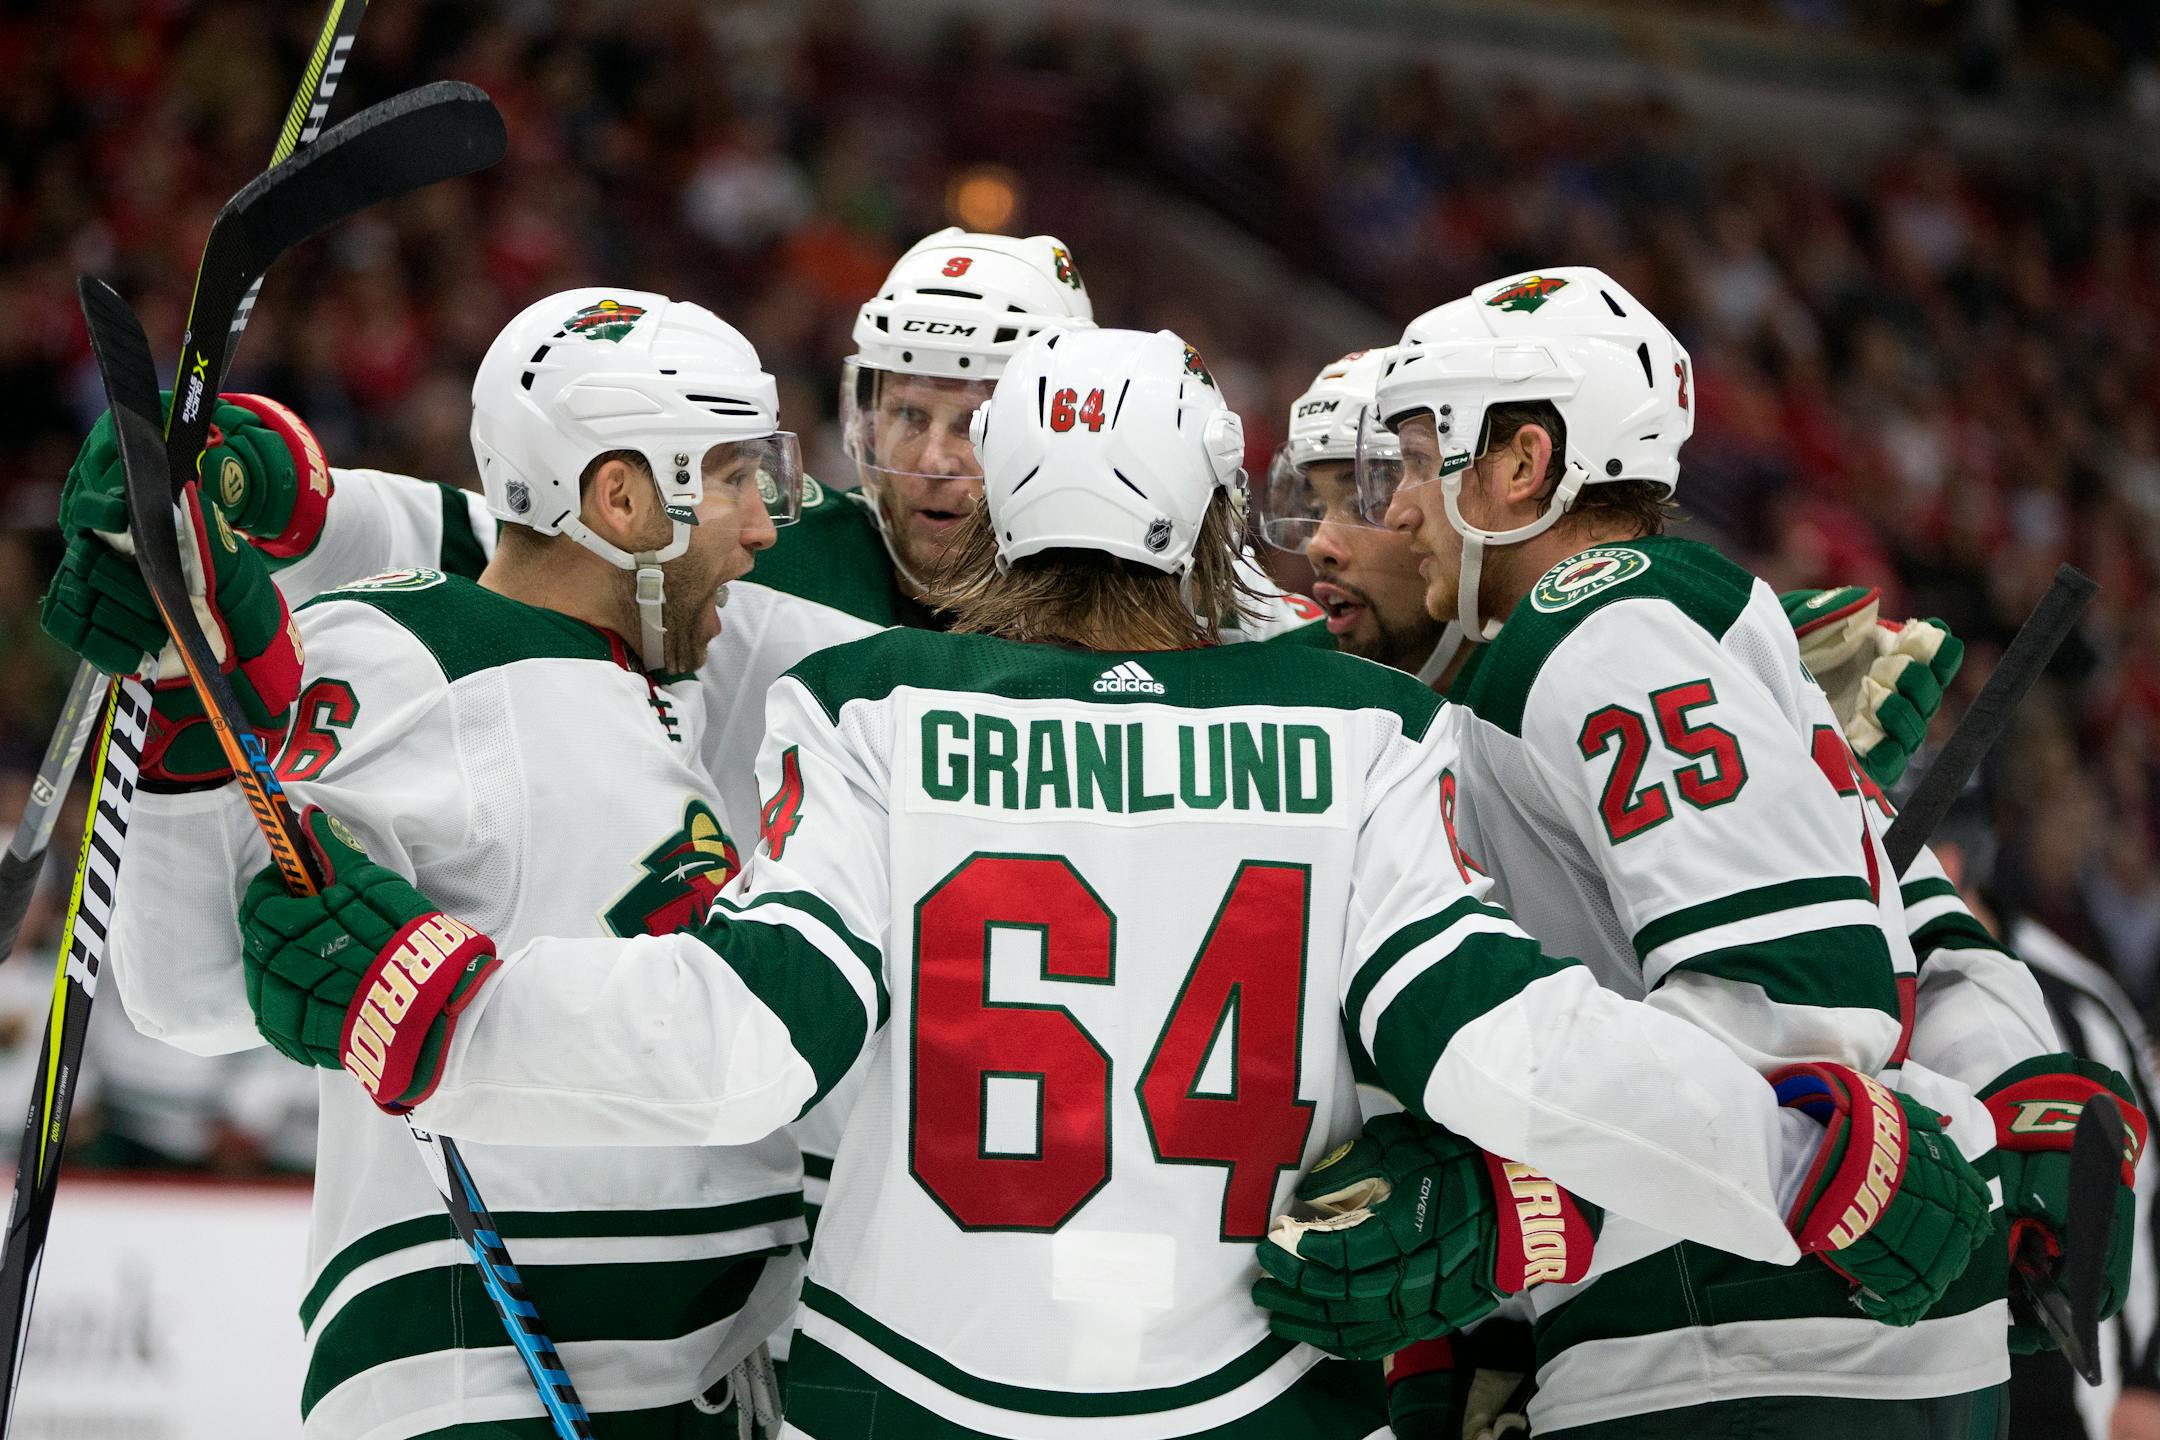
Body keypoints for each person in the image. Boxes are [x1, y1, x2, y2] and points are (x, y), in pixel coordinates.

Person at [233, 327, 1990, 1440]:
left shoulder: (872, 709)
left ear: (990, 516)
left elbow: (743, 1044)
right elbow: (1519, 1050)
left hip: (897, 1394)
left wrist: (437, 1010)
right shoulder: (1359, 731)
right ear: (1220, 523)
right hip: (1253, 1406)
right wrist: (1799, 1159)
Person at [1259, 266, 2137, 1438]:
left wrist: (1530, 1201)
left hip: (1741, 1345)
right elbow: (1894, 924)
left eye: (1386, 480)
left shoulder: (1583, 628)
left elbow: (1804, 1017)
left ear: (1520, 468)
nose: (1335, 538)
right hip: (1748, 1341)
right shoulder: (1483, 708)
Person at [39, 288, 811, 1439]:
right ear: (624, 497)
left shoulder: (696, 685)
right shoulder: (409, 654)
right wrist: (190, 727)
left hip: (714, 1367)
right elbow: (193, 993)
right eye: (740, 479)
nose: (765, 522)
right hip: (485, 1370)